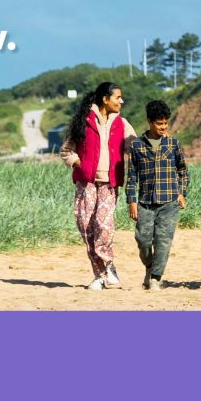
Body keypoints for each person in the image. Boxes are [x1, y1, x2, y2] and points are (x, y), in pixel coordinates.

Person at [60, 82, 137, 290]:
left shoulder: (122, 124)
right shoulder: (83, 122)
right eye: (117, 97)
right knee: (86, 228)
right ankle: (100, 275)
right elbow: (66, 151)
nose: (121, 101)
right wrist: (81, 165)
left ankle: (108, 265)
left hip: (109, 184)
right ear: (105, 99)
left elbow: (135, 146)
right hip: (86, 183)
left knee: (104, 225)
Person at [125, 100, 188, 291]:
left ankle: (155, 278)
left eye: (165, 123)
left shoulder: (173, 144)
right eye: (159, 124)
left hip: (169, 201)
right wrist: (131, 201)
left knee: (163, 241)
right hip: (144, 202)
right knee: (143, 240)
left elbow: (183, 171)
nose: (163, 127)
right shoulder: (136, 146)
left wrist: (181, 193)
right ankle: (150, 267)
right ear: (149, 122)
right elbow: (132, 176)